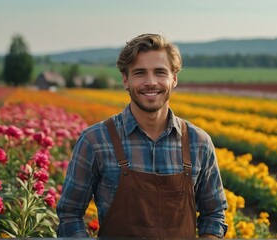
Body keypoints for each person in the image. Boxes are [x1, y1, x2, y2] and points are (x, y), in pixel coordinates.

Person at [56, 33, 228, 238]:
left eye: (160, 72)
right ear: (126, 80)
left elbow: (214, 214)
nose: (151, 82)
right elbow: (70, 214)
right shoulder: (95, 141)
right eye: (140, 73)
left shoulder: (198, 143)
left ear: (174, 78)